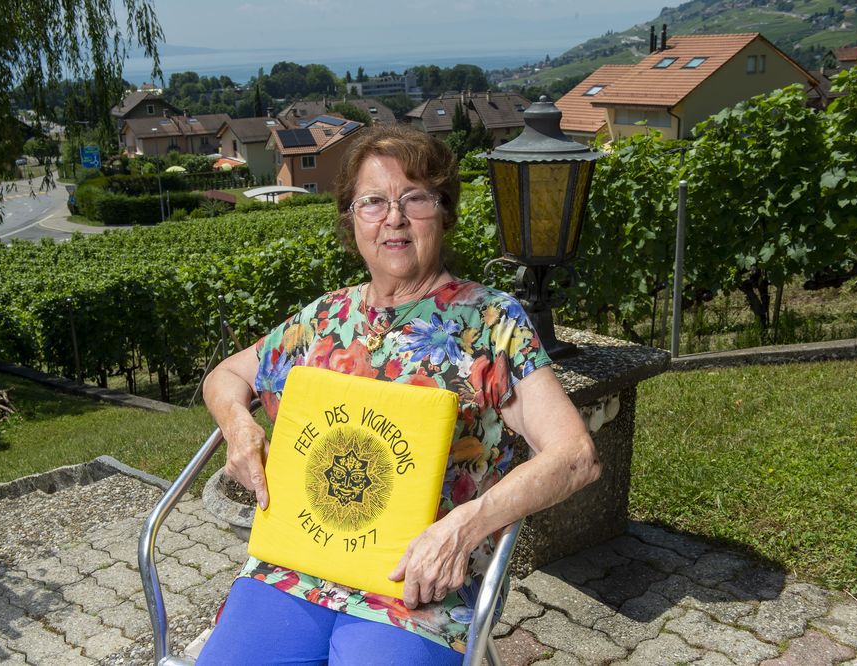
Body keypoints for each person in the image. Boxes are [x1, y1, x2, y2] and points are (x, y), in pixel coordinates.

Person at [199, 125, 600, 665]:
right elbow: (226, 376)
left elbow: (575, 456)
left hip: (421, 584)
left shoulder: (490, 322)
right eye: (373, 201)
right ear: (351, 218)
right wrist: (239, 426)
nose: (394, 217)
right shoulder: (327, 317)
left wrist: (467, 525)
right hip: (299, 565)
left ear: (443, 211)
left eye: (415, 198)